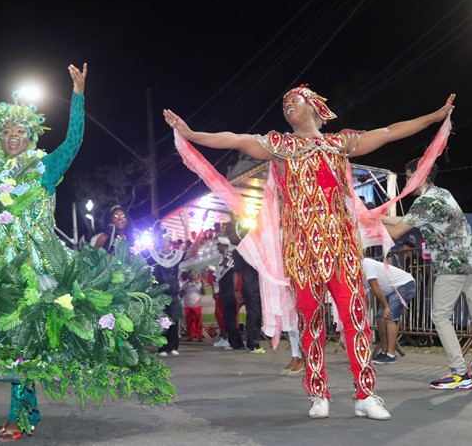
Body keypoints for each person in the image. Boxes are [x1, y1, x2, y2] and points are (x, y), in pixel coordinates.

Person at [164, 85, 454, 420]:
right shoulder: (280, 145)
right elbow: (235, 139)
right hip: (301, 253)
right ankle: (318, 392)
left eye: (294, 101)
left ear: (314, 107)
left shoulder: (339, 142)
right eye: (284, 104)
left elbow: (388, 133)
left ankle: (366, 394)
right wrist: (191, 133)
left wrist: (434, 117)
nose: (287, 106)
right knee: (310, 321)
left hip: (343, 249)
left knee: (355, 320)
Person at [0, 63, 87, 441]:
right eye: (6, 131)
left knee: (23, 342)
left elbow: (74, 141)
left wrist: (77, 98)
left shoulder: (45, 168)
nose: (13, 136)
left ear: (31, 137)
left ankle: (19, 416)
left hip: (38, 266)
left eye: (20, 131)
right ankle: (27, 411)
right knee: (9, 343)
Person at [383, 158, 472, 390]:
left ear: (419, 175)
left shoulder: (424, 201)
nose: (406, 181)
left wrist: (370, 222)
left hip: (452, 266)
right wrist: (378, 217)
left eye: (408, 175)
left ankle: (459, 372)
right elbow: (406, 221)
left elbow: (396, 232)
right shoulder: (442, 193)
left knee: (441, 316)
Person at [145, 229, 197, 356]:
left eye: (166, 241)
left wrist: (197, 242)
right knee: (162, 321)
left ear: (170, 243)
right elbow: (141, 257)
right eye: (162, 241)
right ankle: (162, 348)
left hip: (173, 293)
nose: (164, 244)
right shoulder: (155, 256)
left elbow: (190, 254)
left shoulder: (176, 256)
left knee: (173, 320)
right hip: (160, 294)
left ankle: (173, 346)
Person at [362, 258, 416, 365]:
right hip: (390, 291)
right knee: (380, 317)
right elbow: (365, 294)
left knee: (389, 315)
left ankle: (390, 355)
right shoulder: (358, 274)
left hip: (404, 284)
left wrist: (386, 306)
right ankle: (384, 351)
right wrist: (364, 313)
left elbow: (376, 287)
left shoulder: (366, 264)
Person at [215, 237, 245, 350]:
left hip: (230, 293)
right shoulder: (221, 258)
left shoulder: (230, 256)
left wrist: (235, 291)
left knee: (231, 318)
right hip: (225, 293)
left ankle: (236, 343)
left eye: (219, 245)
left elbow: (233, 275)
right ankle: (233, 342)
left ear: (224, 245)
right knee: (228, 318)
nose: (218, 247)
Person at [232, 247, 263, 352]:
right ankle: (254, 344)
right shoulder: (242, 252)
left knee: (254, 315)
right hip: (251, 287)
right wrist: (236, 289)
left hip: (254, 286)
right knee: (254, 315)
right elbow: (237, 272)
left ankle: (252, 342)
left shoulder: (246, 252)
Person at [181, 269, 205, 341]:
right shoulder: (185, 284)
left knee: (198, 321)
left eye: (194, 273)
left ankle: (199, 336)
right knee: (189, 321)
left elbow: (203, 292)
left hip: (197, 303)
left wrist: (203, 284)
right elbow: (182, 293)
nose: (192, 275)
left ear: (196, 274)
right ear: (189, 275)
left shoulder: (199, 282)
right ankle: (190, 336)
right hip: (187, 304)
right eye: (191, 274)